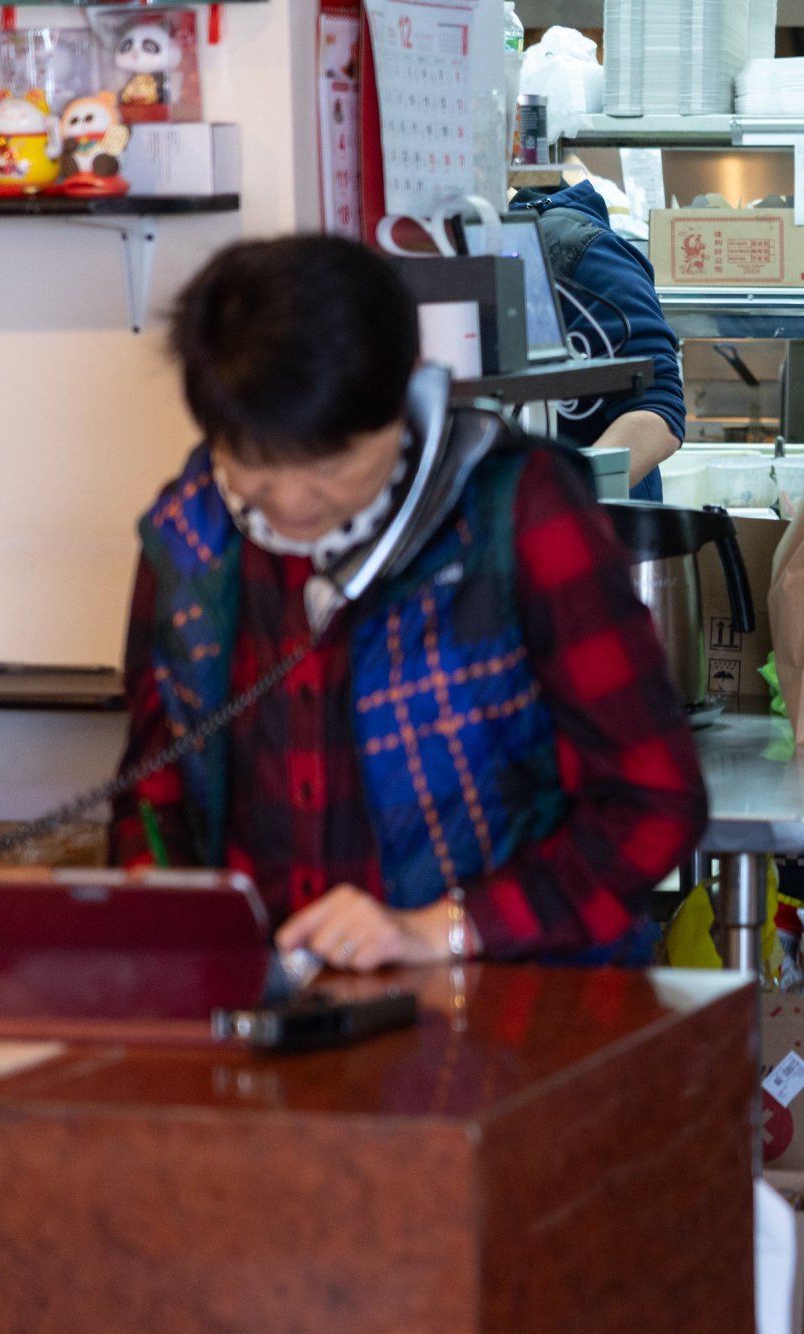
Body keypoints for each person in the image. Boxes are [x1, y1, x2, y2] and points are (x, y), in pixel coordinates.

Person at [109, 235, 708, 972]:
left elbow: (655, 801)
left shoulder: (520, 514)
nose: (293, 504)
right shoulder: (187, 538)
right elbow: (152, 788)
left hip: (504, 999)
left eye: (331, 466)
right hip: (275, 1000)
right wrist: (162, 907)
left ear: (401, 403)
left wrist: (441, 929)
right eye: (255, 467)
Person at [512, 179, 686, 499]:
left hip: (599, 523)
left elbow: (657, 413)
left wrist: (562, 504)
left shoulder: (575, 248)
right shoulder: (462, 256)